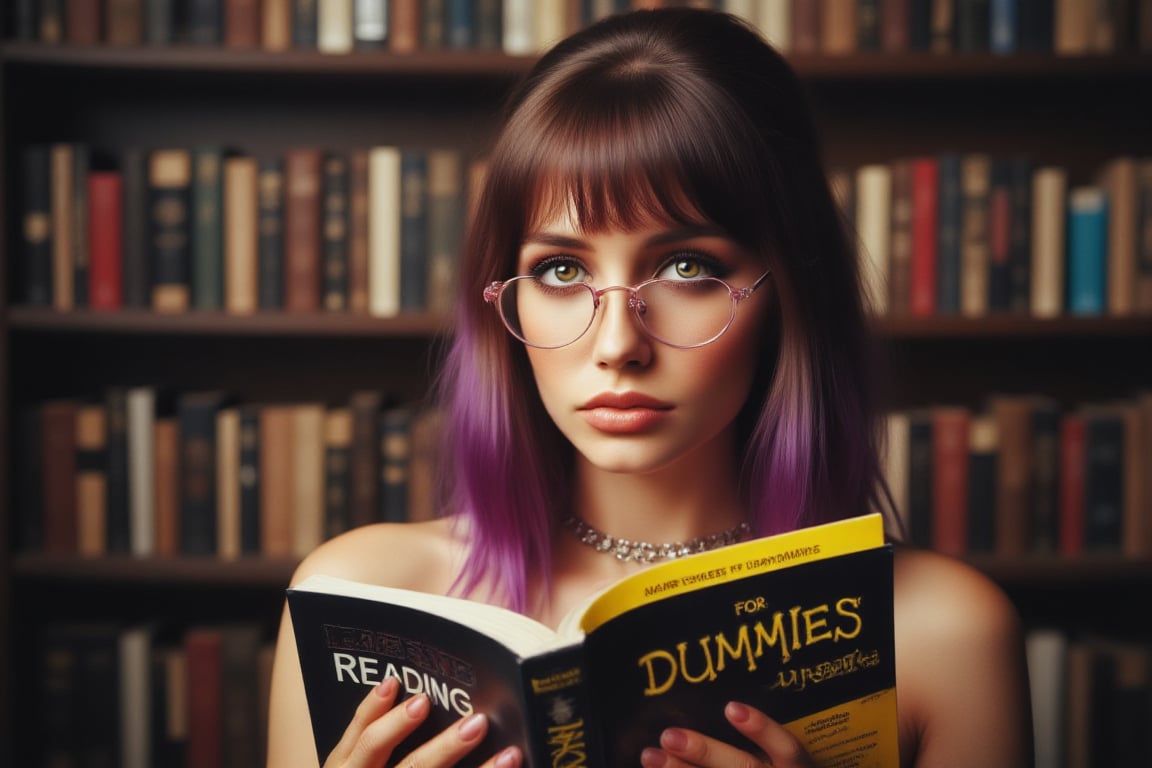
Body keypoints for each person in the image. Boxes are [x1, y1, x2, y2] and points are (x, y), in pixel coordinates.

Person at [267, 7, 1033, 768]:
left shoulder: (944, 634)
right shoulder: (358, 599)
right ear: (502, 298)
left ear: (790, 291)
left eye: (687, 267)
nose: (617, 345)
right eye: (562, 271)